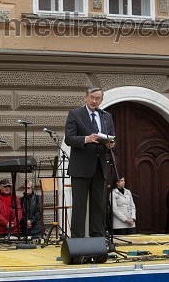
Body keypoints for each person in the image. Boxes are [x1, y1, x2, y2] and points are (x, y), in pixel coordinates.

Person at [65, 86, 115, 238]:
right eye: (92, 97)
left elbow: (111, 136)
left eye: (97, 98)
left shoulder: (106, 116)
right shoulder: (75, 114)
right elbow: (69, 138)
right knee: (79, 207)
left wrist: (110, 144)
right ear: (86, 97)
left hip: (100, 167)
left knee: (98, 206)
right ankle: (77, 242)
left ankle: (98, 240)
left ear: (101, 100)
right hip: (81, 168)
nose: (94, 101)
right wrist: (87, 139)